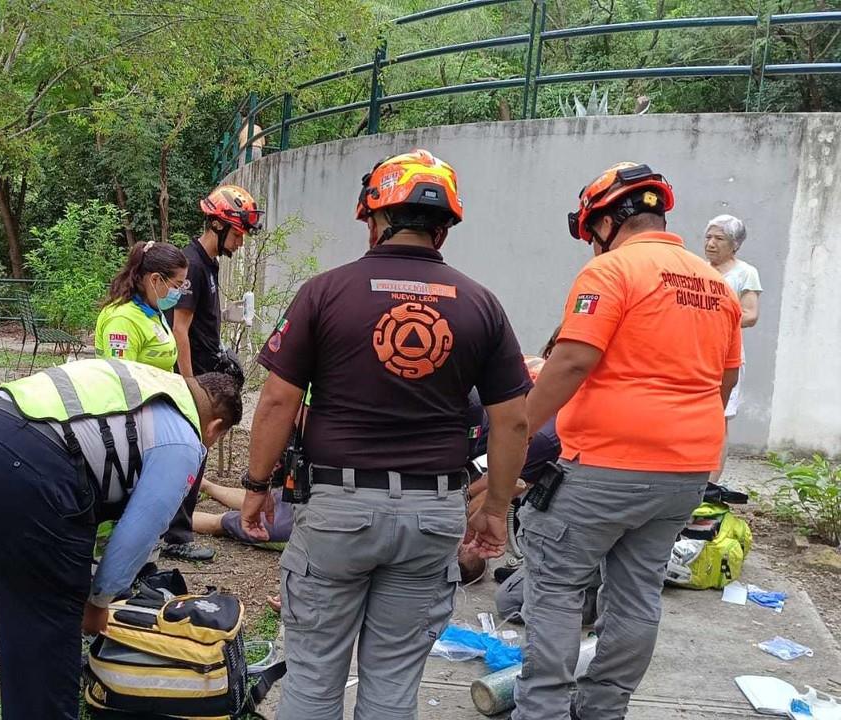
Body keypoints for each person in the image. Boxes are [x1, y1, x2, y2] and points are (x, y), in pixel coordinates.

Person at [237, 149, 531, 719]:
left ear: (374, 218)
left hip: (338, 511)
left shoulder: (325, 293)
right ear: (443, 228)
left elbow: (277, 400)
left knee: (313, 678)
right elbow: (513, 420)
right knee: (393, 687)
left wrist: (256, 487)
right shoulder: (480, 304)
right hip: (433, 516)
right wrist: (495, 507)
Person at [509, 162, 742, 720]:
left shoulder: (611, 273)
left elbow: (571, 362)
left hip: (605, 465)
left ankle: (539, 710)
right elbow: (725, 381)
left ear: (610, 220)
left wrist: (516, 436)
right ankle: (602, 710)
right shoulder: (717, 286)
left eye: (592, 231)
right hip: (686, 470)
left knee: (556, 585)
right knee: (637, 593)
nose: (591, 244)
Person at [0, 359, 242, 719]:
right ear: (216, 426)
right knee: (53, 622)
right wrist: (98, 602)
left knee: (25, 607)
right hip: (25, 460)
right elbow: (140, 531)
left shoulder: (154, 383)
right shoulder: (184, 439)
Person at [160, 184, 263, 562]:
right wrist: (191, 387)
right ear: (219, 226)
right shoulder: (193, 265)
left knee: (196, 455)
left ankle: (177, 528)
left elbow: (202, 325)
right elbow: (180, 329)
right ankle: (176, 537)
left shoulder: (209, 266)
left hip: (206, 374)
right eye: (238, 233)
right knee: (189, 454)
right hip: (194, 382)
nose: (241, 242)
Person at [703, 214, 762, 483]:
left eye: (719, 238)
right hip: (696, 353)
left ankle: (711, 484)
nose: (711, 243)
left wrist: (718, 316)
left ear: (735, 244)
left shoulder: (745, 272)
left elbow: (750, 315)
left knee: (719, 417)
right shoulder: (698, 269)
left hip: (726, 355)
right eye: (708, 237)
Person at [94, 240, 188, 371]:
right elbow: (123, 381)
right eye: (176, 285)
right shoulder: (123, 320)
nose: (178, 292)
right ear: (155, 279)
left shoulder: (152, 310)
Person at [191, 477, 293, 547]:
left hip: (296, 523)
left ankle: (178, 515)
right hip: (301, 503)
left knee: (224, 521)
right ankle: (203, 484)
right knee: (259, 499)